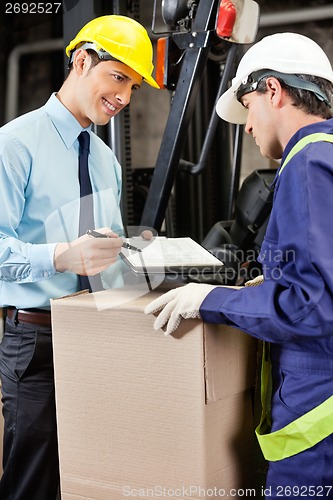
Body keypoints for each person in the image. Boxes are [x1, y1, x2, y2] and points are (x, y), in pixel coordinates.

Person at [145, 32, 333, 499]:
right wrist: (270, 284)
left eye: (248, 106)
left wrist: (213, 298)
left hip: (318, 416)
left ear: (274, 90)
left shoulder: (307, 164)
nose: (247, 126)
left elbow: (314, 308)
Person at [0, 15, 158, 499]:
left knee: (89, 472)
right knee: (35, 477)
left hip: (93, 334)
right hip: (36, 339)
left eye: (132, 86)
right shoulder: (16, 144)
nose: (125, 98)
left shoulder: (103, 158)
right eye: (118, 78)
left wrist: (143, 256)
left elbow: (100, 255)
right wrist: (62, 257)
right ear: (82, 60)